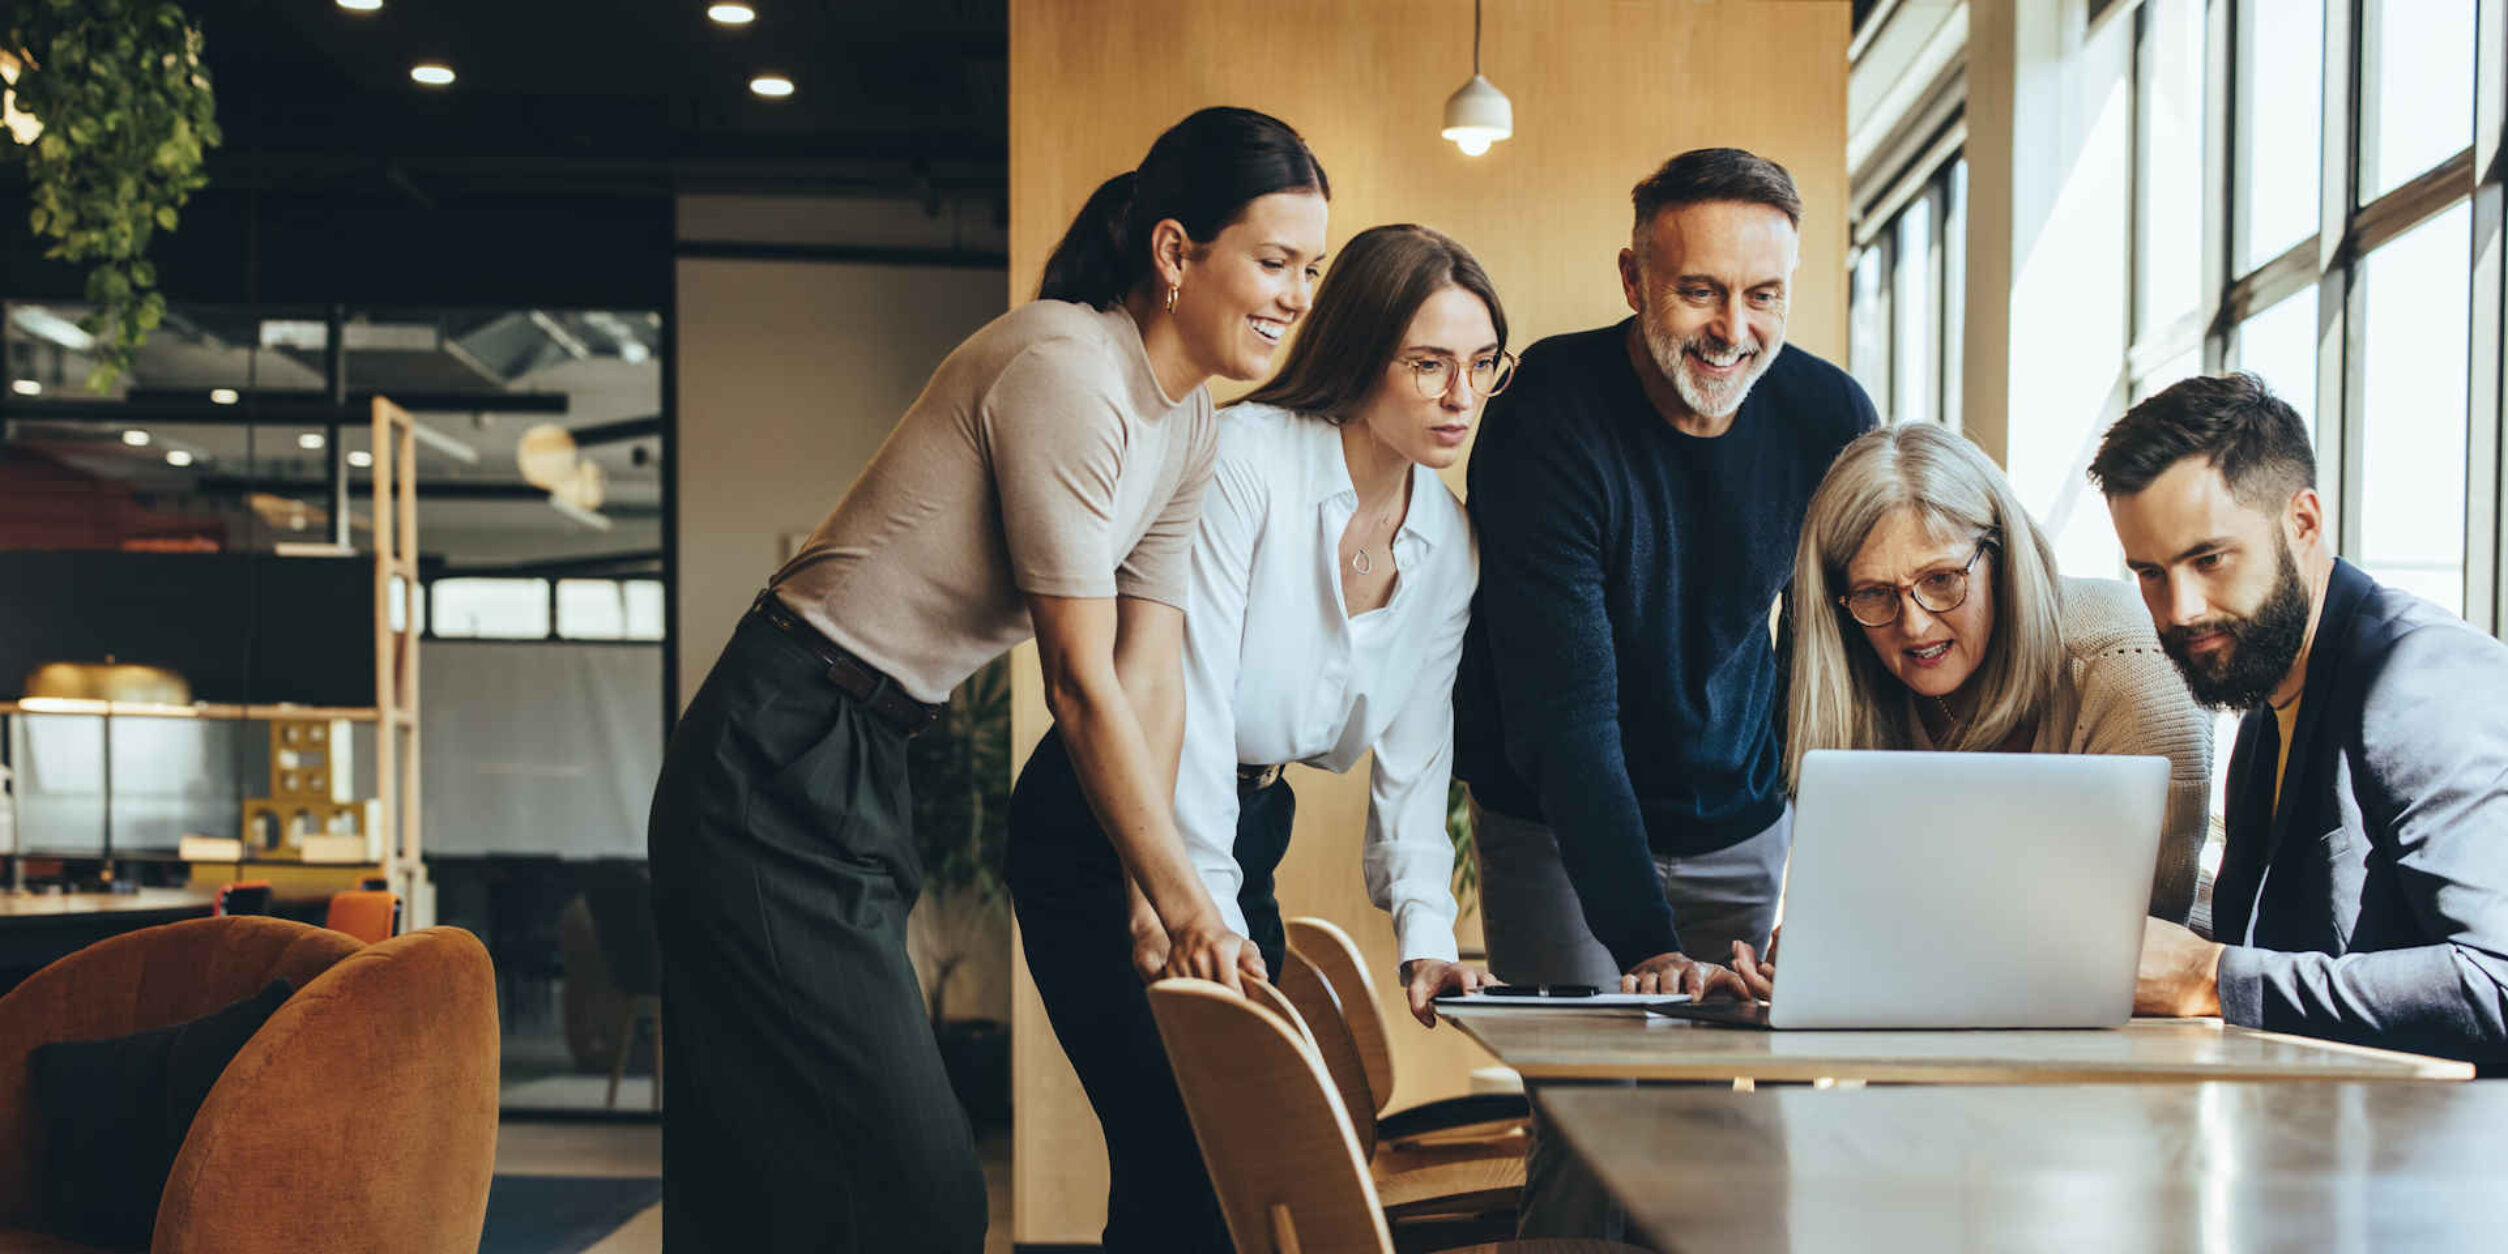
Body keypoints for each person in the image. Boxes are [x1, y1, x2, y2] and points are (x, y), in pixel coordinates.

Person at [645, 106, 1329, 1253]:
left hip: (867, 751)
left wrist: (1145, 886)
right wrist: (1189, 906)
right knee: (912, 1195)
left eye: (1311, 269)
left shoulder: (1188, 431)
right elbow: (1078, 683)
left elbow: (1149, 672)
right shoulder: (1067, 367)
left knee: (791, 1180)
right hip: (776, 745)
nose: (1296, 295)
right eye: (1274, 261)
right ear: (1175, 252)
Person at [1010, 223, 1504, 1253]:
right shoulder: (1244, 458)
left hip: (1253, 819)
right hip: (1113, 814)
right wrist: (1195, 912)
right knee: (1180, 1154)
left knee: (1236, 1162)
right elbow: (1183, 704)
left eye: (1482, 364)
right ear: (1361, 351)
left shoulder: (1448, 540)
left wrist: (1426, 938)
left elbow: (1419, 762)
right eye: (1429, 364)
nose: (1461, 396)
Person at [1450, 147, 1877, 1241]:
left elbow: (1835, 663)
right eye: (1700, 291)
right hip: (1555, 822)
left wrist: (1828, 876)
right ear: (1635, 279)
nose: (1733, 329)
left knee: (1712, 1138)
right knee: (1591, 1132)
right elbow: (1565, 716)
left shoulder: (1828, 415)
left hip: (1736, 815)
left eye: (1764, 295)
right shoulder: (1547, 412)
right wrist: (1644, 939)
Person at [2090, 371, 2508, 1069]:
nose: (2181, 609)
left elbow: (2497, 983)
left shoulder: (2420, 677)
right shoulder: (2268, 698)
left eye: (2209, 559)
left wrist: (2208, 977)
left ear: (2304, 523)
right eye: (2151, 573)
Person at [1735, 421, 2210, 993]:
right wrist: (1805, 964)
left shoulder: (2128, 662)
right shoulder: (1854, 679)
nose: (1914, 625)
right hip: (1951, 1010)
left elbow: (2136, 950)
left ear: (2002, 557)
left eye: (1941, 579)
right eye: (1874, 593)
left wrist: (1877, 961)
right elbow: (1868, 930)